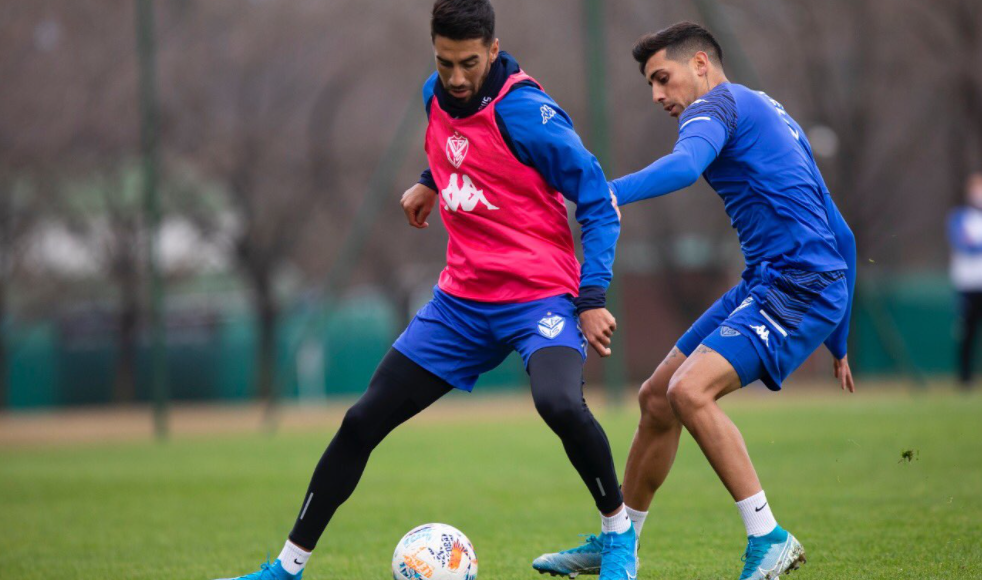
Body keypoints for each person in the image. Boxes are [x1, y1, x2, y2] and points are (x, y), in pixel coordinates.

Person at [213, 1, 637, 579]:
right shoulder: (433, 95)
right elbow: (456, 146)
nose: (456, 78)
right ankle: (285, 569)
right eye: (444, 63)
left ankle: (618, 536)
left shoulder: (530, 114)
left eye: (468, 63)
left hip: (538, 296)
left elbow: (598, 201)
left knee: (559, 403)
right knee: (361, 422)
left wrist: (591, 299)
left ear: (493, 49)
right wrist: (428, 182)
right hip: (460, 304)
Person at [533, 22, 857, 580]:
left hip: (798, 284)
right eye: (651, 85)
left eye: (664, 78)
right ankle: (620, 542)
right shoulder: (769, 109)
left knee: (689, 391)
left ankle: (768, 536)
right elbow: (843, 233)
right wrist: (841, 339)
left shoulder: (715, 108)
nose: (659, 95)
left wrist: (606, 192)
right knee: (657, 397)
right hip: (776, 281)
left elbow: (684, 168)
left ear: (701, 64)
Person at [947, 173, 982, 388]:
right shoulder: (959, 217)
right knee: (967, 333)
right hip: (967, 284)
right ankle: (965, 378)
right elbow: (963, 244)